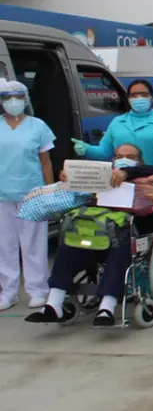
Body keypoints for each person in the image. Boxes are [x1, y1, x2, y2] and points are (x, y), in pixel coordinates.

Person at [26, 143, 153, 326]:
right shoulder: (102, 176)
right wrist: (68, 178)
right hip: (97, 235)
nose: (123, 159)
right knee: (68, 247)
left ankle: (107, 307)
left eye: (130, 157)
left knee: (119, 251)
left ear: (139, 161)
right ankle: (53, 304)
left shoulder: (149, 176)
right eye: (118, 156)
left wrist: (126, 173)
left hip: (129, 237)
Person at [0, 80, 56, 311]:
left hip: (32, 193)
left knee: (34, 244)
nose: (13, 102)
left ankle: (38, 289)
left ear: (25, 99)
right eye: (8, 98)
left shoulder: (38, 126)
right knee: (5, 245)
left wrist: (49, 191)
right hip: (3, 194)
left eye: (18, 97)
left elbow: (45, 161)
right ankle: (8, 291)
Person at [73, 79, 153, 180]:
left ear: (151, 98)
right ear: (128, 99)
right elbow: (105, 151)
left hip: (151, 180)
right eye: (134, 95)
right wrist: (87, 149)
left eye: (144, 94)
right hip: (121, 181)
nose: (139, 98)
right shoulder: (117, 122)